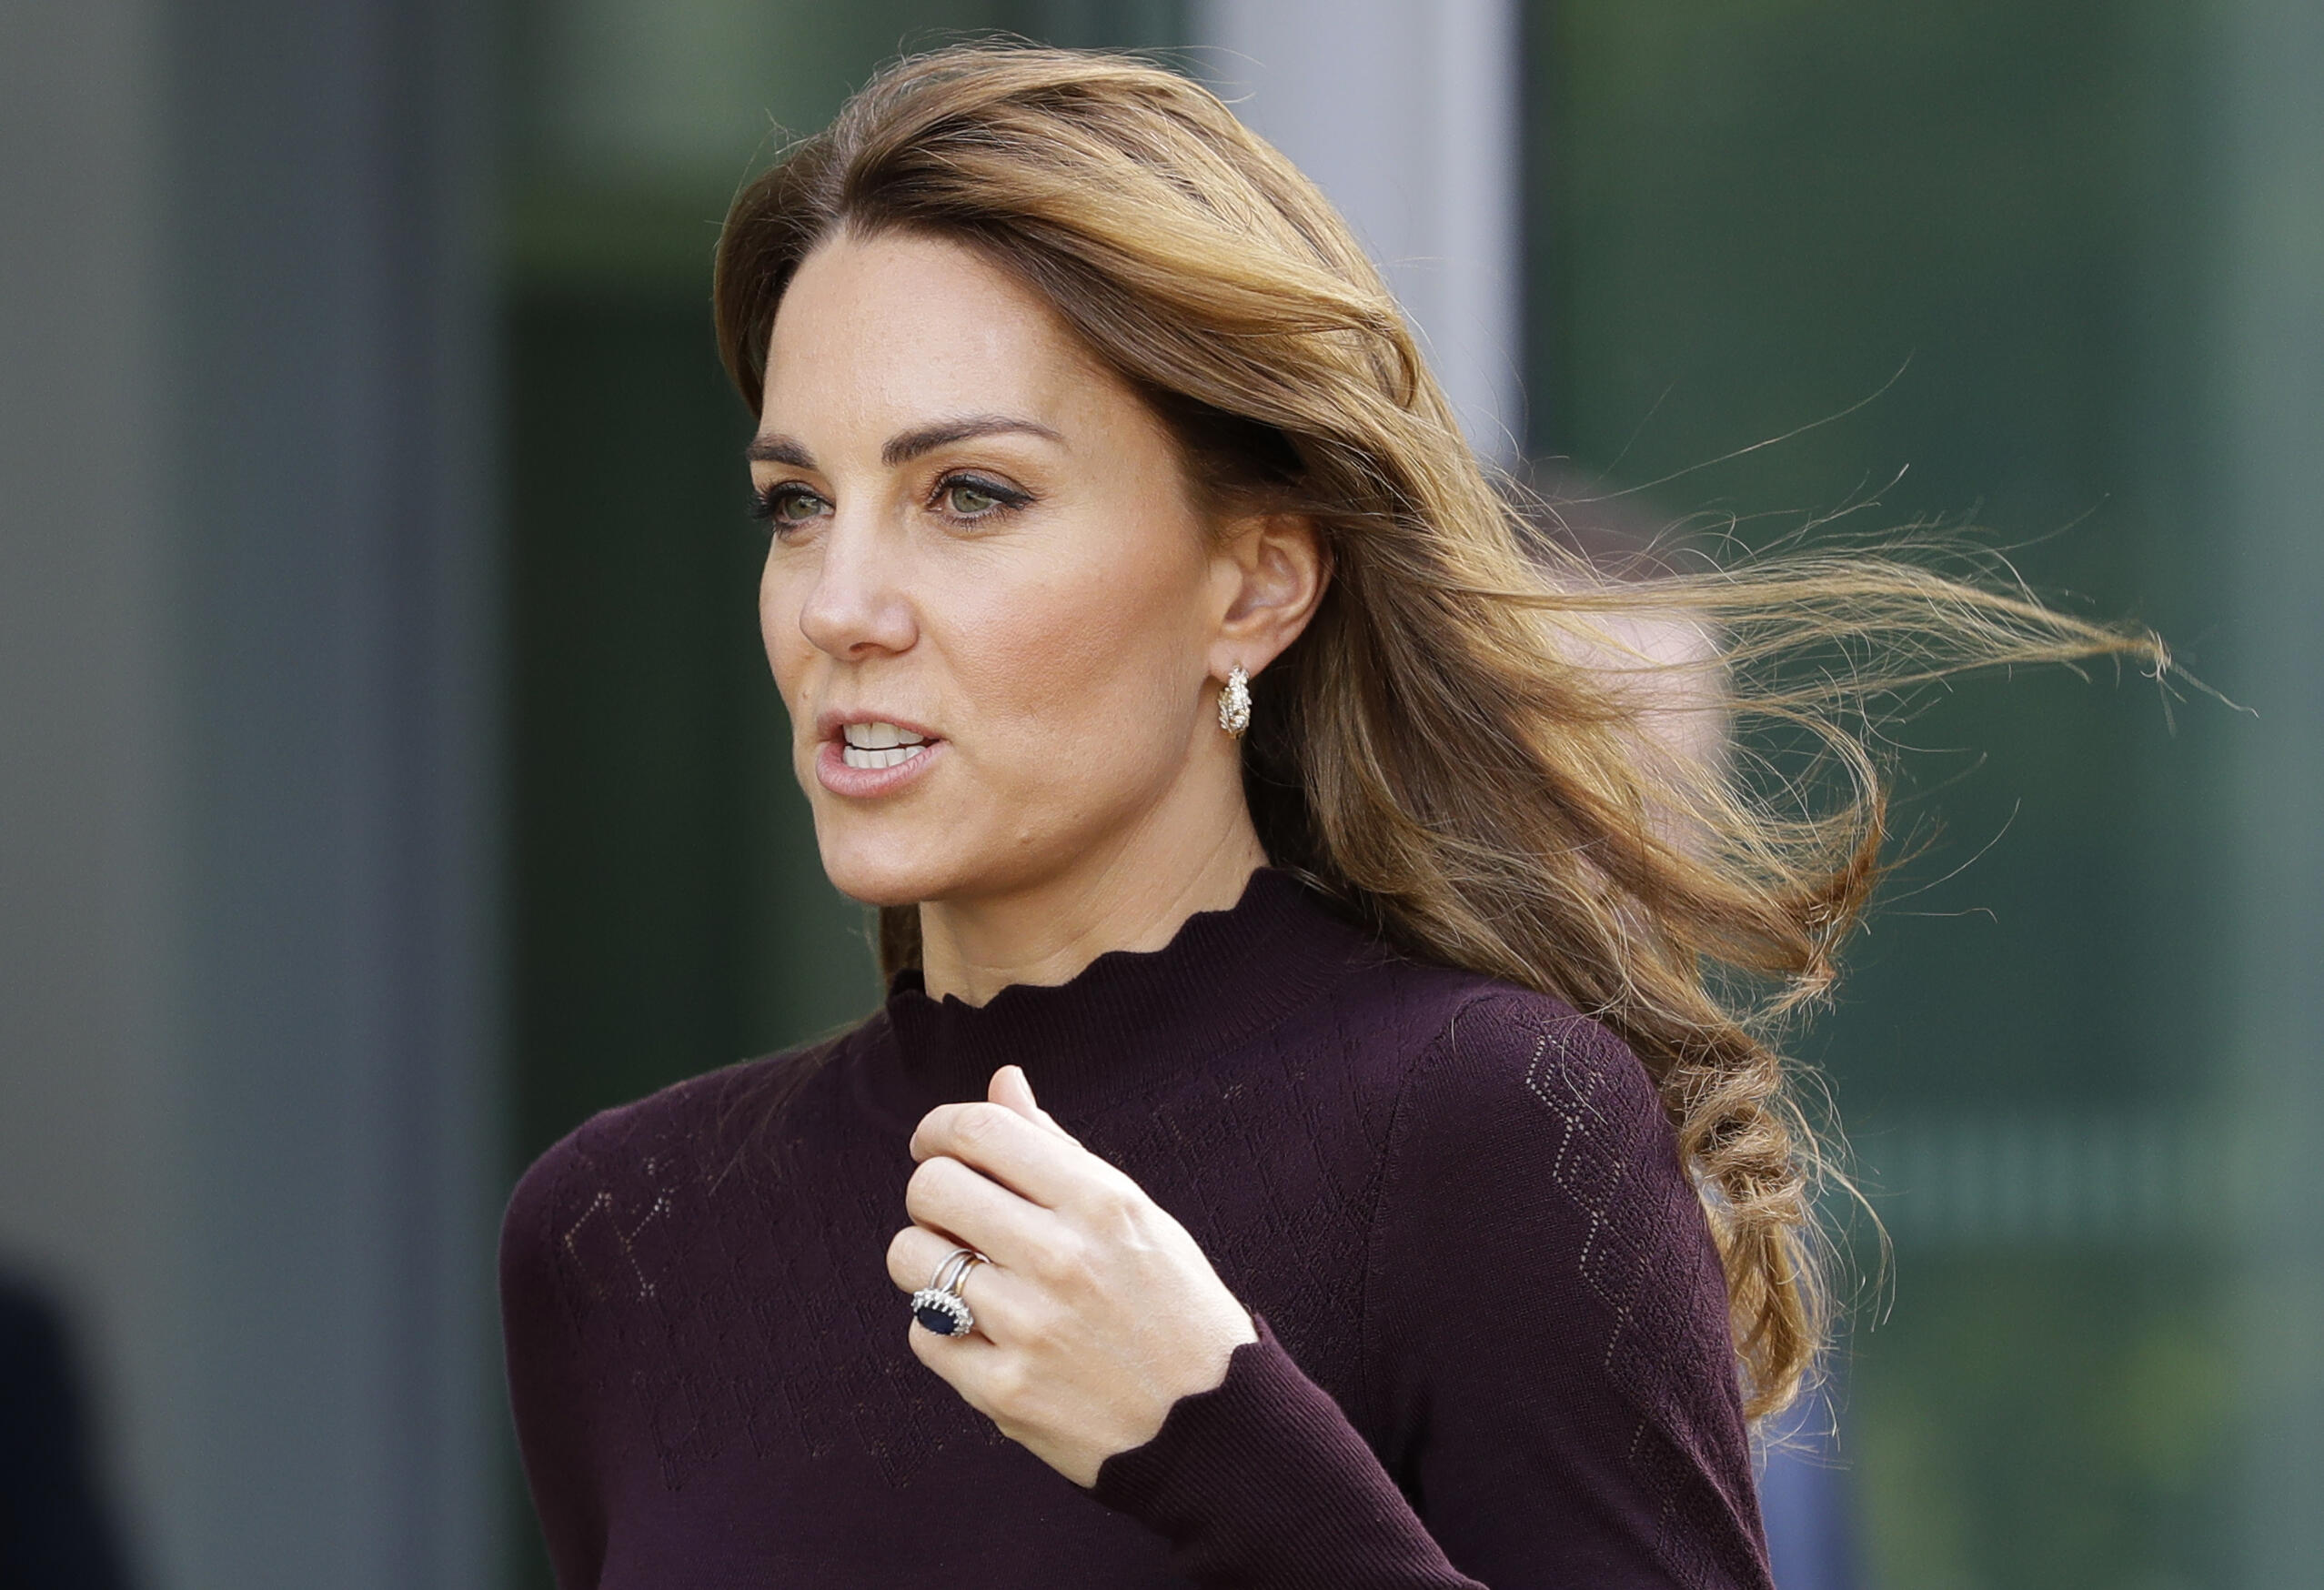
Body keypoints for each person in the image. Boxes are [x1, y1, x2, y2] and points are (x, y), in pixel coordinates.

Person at [498, 43, 2160, 1588]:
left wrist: (1214, 1441)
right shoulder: (621, 1233)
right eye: (797, 505)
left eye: (970, 495)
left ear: (1256, 584)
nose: (838, 606)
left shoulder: (1495, 1133)